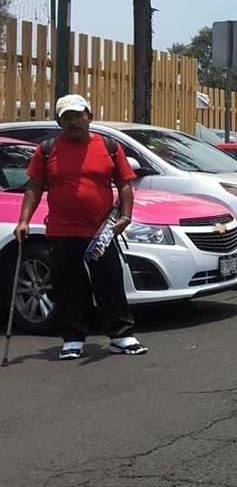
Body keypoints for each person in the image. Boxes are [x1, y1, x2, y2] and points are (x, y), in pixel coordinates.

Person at [15, 94, 147, 360]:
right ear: (59, 121)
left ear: (90, 116)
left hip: (102, 231)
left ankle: (120, 335)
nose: (74, 121)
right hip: (63, 230)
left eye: (78, 115)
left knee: (109, 281)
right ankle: (73, 338)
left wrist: (126, 215)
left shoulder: (109, 146)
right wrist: (24, 220)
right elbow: (34, 187)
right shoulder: (47, 149)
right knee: (68, 285)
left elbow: (124, 183)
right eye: (67, 117)